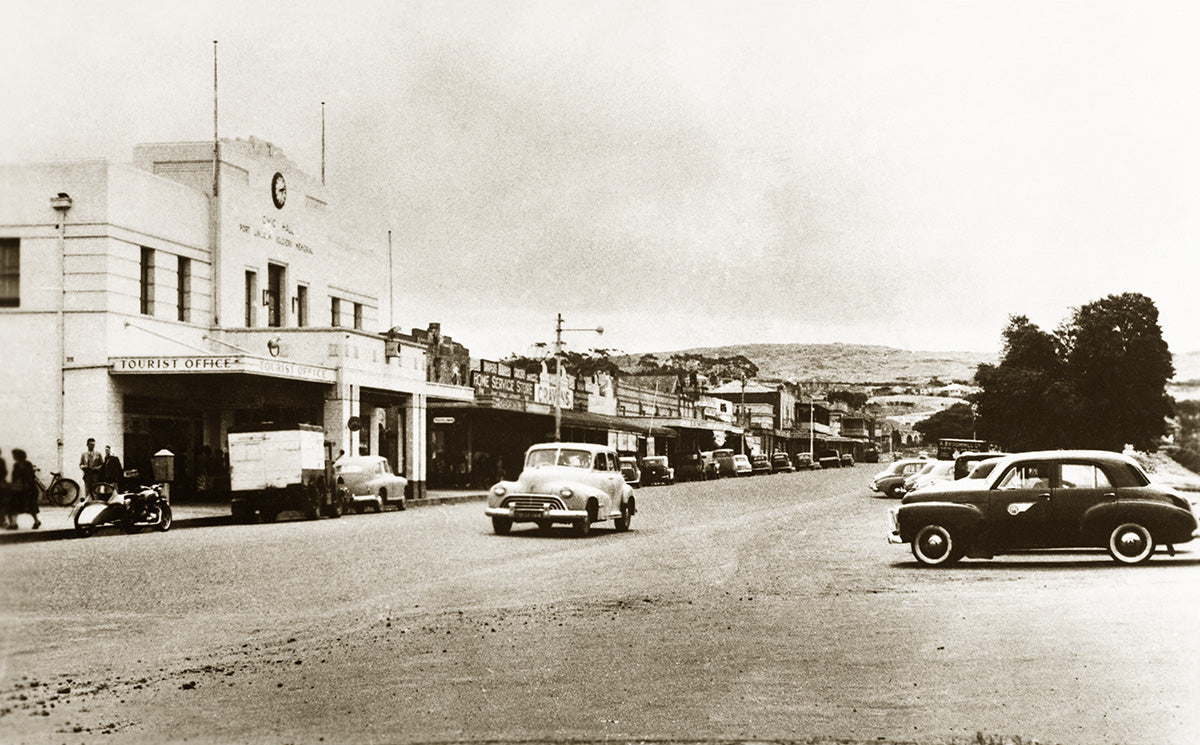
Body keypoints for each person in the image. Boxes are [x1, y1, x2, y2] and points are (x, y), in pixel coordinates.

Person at [10, 449, 38, 529]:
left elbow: (31, 476)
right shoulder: (16, 465)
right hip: (19, 489)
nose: (13, 457)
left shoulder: (28, 464)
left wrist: (27, 484)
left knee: (31, 507)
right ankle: (14, 523)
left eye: (14, 455)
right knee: (14, 505)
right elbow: (14, 476)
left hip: (29, 489)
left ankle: (36, 521)